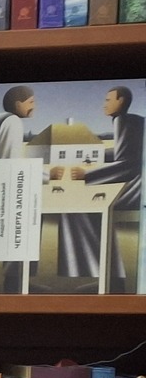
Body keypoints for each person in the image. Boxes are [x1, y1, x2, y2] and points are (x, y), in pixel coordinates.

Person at [61, 85, 143, 288]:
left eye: (108, 100)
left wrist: (87, 175)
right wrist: (94, 156)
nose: (104, 105)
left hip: (138, 188)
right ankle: (109, 278)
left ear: (121, 101)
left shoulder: (123, 120)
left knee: (80, 205)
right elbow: (122, 151)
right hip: (138, 184)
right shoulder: (132, 120)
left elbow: (128, 164)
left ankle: (109, 278)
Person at [0, 86, 36, 160]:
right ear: (18, 105)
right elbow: (11, 160)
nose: (34, 106)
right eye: (31, 102)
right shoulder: (13, 121)